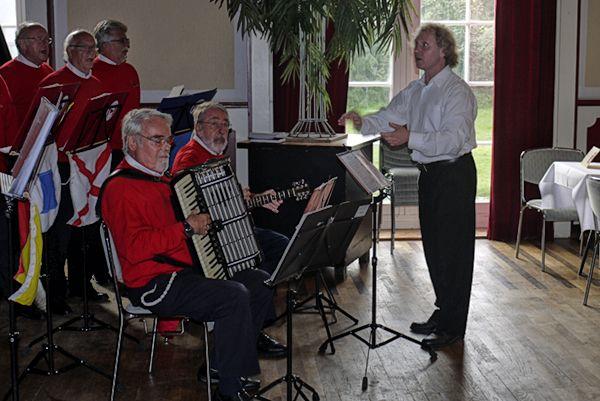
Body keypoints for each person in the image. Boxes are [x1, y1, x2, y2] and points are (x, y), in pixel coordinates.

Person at [100, 108, 273, 401]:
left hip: (185, 269)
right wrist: (185, 229)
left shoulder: (163, 180)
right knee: (234, 296)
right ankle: (230, 393)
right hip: (153, 283)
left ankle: (221, 367)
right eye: (157, 140)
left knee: (259, 281)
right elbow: (134, 249)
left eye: (168, 141)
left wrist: (235, 201)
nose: (166, 147)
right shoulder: (121, 188)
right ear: (131, 143)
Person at [339, 23, 477, 350]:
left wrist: (409, 137)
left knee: (454, 253)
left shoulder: (457, 92)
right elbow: (391, 115)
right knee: (434, 247)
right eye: (417, 45)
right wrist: (364, 121)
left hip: (454, 175)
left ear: (443, 51)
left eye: (424, 45)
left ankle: (453, 327)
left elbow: (453, 139)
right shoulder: (418, 89)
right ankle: (443, 312)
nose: (417, 50)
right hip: (430, 175)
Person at [171, 102, 290, 344]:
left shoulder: (216, 154)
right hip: (208, 242)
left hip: (229, 229)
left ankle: (253, 321)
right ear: (198, 127)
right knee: (261, 265)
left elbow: (227, 201)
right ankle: (250, 326)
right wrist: (245, 201)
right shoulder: (189, 159)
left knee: (281, 246)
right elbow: (196, 210)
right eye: (215, 123)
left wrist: (256, 199)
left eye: (225, 124)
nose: (222, 129)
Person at [38, 30, 106, 315]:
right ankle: (55, 292)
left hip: (88, 165)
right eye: (87, 48)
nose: (93, 54)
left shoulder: (97, 83)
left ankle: (81, 283)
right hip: (62, 166)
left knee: (87, 227)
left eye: (95, 48)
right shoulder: (53, 83)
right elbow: (41, 129)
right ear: (70, 51)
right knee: (61, 231)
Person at [92, 19, 140, 166]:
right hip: (105, 150)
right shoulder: (92, 72)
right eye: (122, 40)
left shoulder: (130, 70)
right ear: (105, 45)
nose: (127, 45)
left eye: (127, 40)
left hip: (131, 146)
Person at [0, 22, 53, 125]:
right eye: (39, 39)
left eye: (47, 40)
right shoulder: (5, 74)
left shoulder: (48, 70)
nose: (45, 44)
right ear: (22, 44)